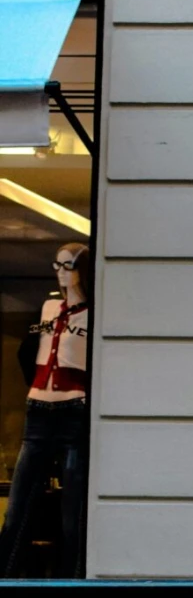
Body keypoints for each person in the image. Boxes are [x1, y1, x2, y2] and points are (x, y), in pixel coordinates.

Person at [0, 243, 90, 579]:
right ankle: (7, 589)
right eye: (58, 265)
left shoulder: (93, 314)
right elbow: (32, 355)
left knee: (72, 516)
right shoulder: (49, 308)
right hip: (38, 409)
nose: (61, 272)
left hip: (73, 410)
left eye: (69, 266)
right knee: (18, 507)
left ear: (84, 270)